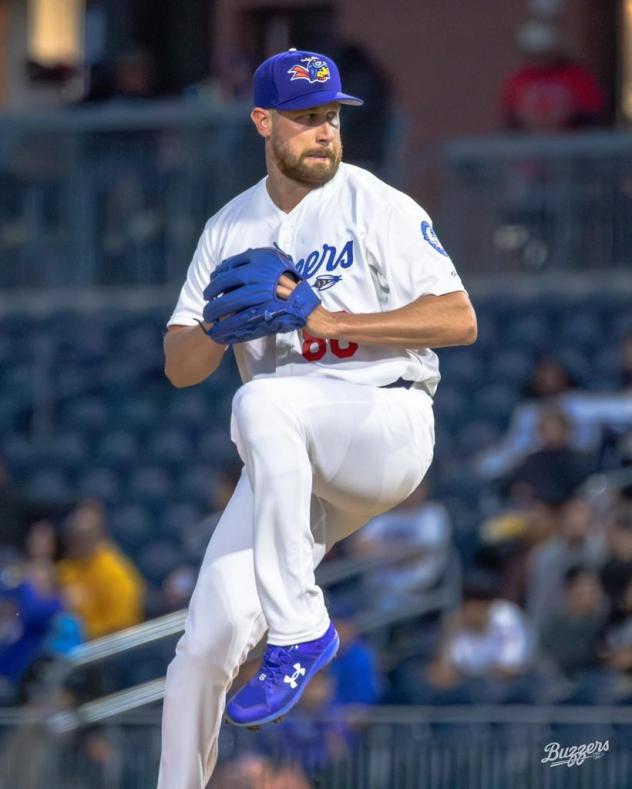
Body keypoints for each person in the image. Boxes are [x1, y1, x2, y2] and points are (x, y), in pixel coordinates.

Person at [159, 47, 477, 788]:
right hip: (289, 462)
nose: (323, 132)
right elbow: (179, 367)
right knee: (204, 643)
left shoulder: (378, 204)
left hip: (383, 421)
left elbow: (459, 320)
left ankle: (302, 629)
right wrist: (215, 329)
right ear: (263, 121)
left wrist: (329, 315)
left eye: (331, 116)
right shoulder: (228, 228)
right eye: (305, 119)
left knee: (263, 399)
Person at [57, 500, 145, 639]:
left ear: (98, 537)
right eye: (73, 536)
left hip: (111, 650)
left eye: (84, 537)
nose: (76, 542)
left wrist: (84, 630)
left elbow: (121, 625)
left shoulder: (115, 572)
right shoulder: (66, 568)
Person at [501, 18, 605, 131]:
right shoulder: (520, 78)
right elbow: (510, 116)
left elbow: (591, 114)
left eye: (543, 53)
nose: (539, 60)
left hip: (570, 143)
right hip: (530, 144)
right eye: (534, 54)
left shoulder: (576, 77)